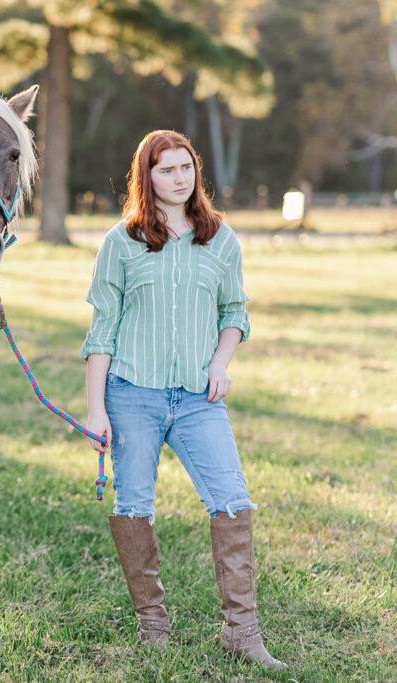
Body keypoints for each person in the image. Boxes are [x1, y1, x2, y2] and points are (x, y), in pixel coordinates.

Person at [80, 130, 286, 670]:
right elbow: (102, 331)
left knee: (232, 501)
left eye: (186, 167)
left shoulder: (220, 239)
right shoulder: (121, 242)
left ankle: (242, 633)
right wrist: (96, 409)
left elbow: (234, 314)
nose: (179, 177)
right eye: (166, 169)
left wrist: (221, 363)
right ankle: (153, 626)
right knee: (133, 506)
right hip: (132, 396)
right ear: (145, 177)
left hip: (198, 400)